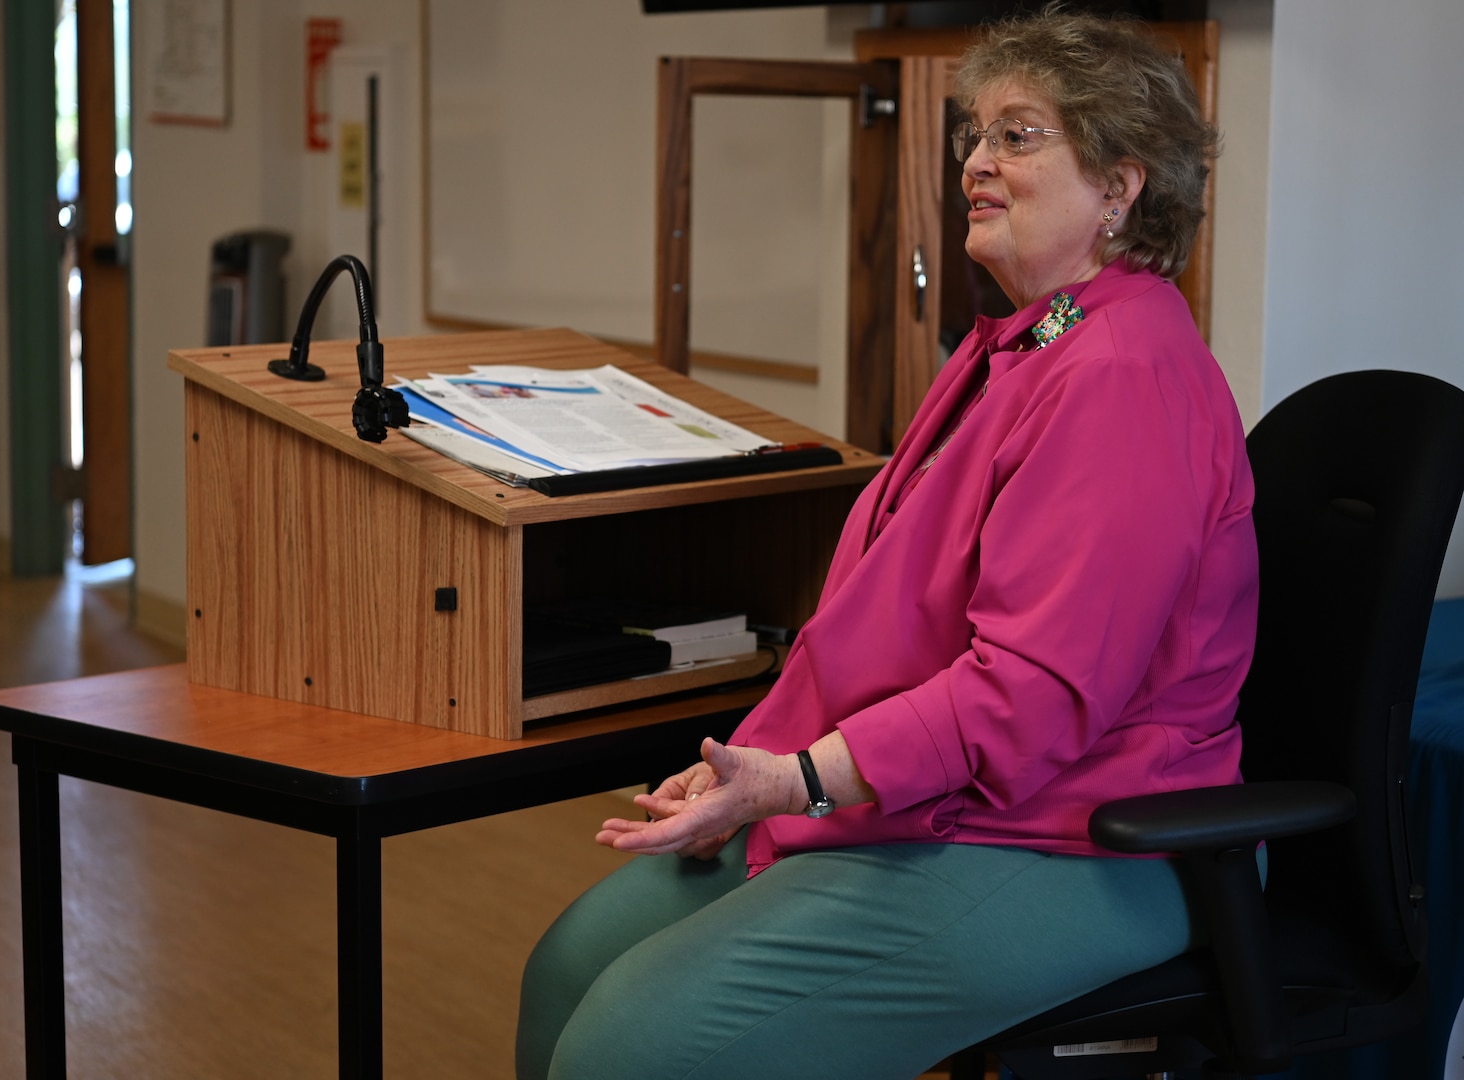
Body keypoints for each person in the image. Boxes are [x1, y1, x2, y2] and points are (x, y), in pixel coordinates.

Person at [516, 8, 1256, 1079]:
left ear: (1120, 184)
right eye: (975, 135)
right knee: (564, 972)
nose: (975, 163)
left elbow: (1027, 701)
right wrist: (753, 765)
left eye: (1017, 135)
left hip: (1075, 837)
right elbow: (866, 633)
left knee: (630, 1046)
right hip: (941, 798)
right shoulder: (1019, 346)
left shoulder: (1123, 375)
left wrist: (797, 782)